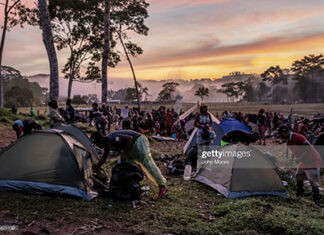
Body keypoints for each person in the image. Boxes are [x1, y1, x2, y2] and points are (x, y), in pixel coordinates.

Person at [90, 130, 167, 199]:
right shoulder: (107, 144)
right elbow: (104, 157)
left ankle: (162, 186)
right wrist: (97, 167)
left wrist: (125, 152)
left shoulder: (113, 138)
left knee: (148, 164)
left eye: (97, 143)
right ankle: (131, 185)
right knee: (125, 166)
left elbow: (129, 139)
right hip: (132, 148)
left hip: (139, 142)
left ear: (101, 139)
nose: (98, 146)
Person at [278, 125, 323, 206]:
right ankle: (299, 196)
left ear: (286, 132)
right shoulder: (288, 140)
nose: (281, 136)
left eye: (281, 134)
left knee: (313, 181)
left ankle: (317, 201)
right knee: (298, 176)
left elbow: (308, 148)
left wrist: (299, 158)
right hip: (303, 161)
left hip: (312, 160)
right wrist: (293, 158)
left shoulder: (299, 137)